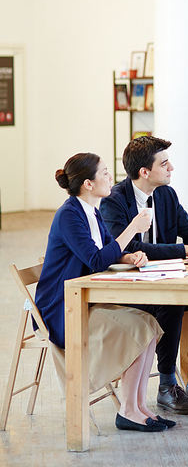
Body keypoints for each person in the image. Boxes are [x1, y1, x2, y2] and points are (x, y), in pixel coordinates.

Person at [100, 135, 188, 415]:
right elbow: (129, 247)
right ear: (145, 172)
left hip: (162, 279)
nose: (171, 168)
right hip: (129, 289)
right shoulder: (115, 202)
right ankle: (167, 385)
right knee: (172, 301)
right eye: (164, 163)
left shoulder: (166, 194)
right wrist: (187, 251)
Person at [35, 152, 176, 433]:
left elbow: (106, 251)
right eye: (105, 173)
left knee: (149, 322)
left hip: (85, 300)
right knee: (139, 326)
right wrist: (133, 229)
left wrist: (128, 258)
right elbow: (97, 260)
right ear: (88, 183)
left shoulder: (91, 211)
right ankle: (127, 411)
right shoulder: (69, 216)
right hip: (63, 309)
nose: (111, 177)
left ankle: (138, 406)